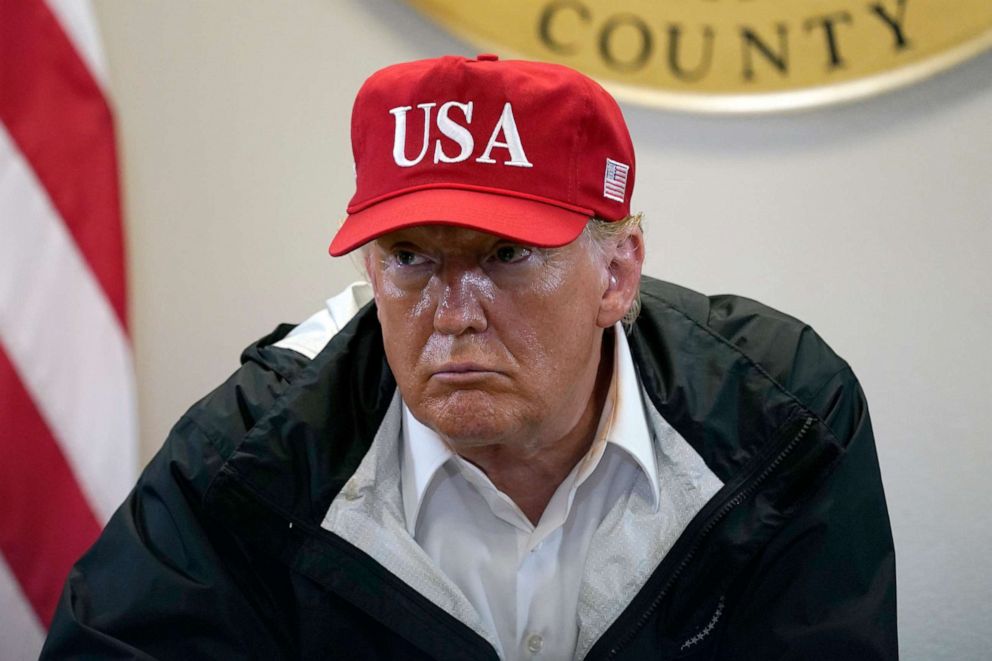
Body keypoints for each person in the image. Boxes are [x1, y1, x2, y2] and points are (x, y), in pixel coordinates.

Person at [42, 55, 896, 660]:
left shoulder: (782, 426)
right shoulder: (253, 459)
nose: (452, 315)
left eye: (507, 256)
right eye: (410, 257)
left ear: (617, 271)